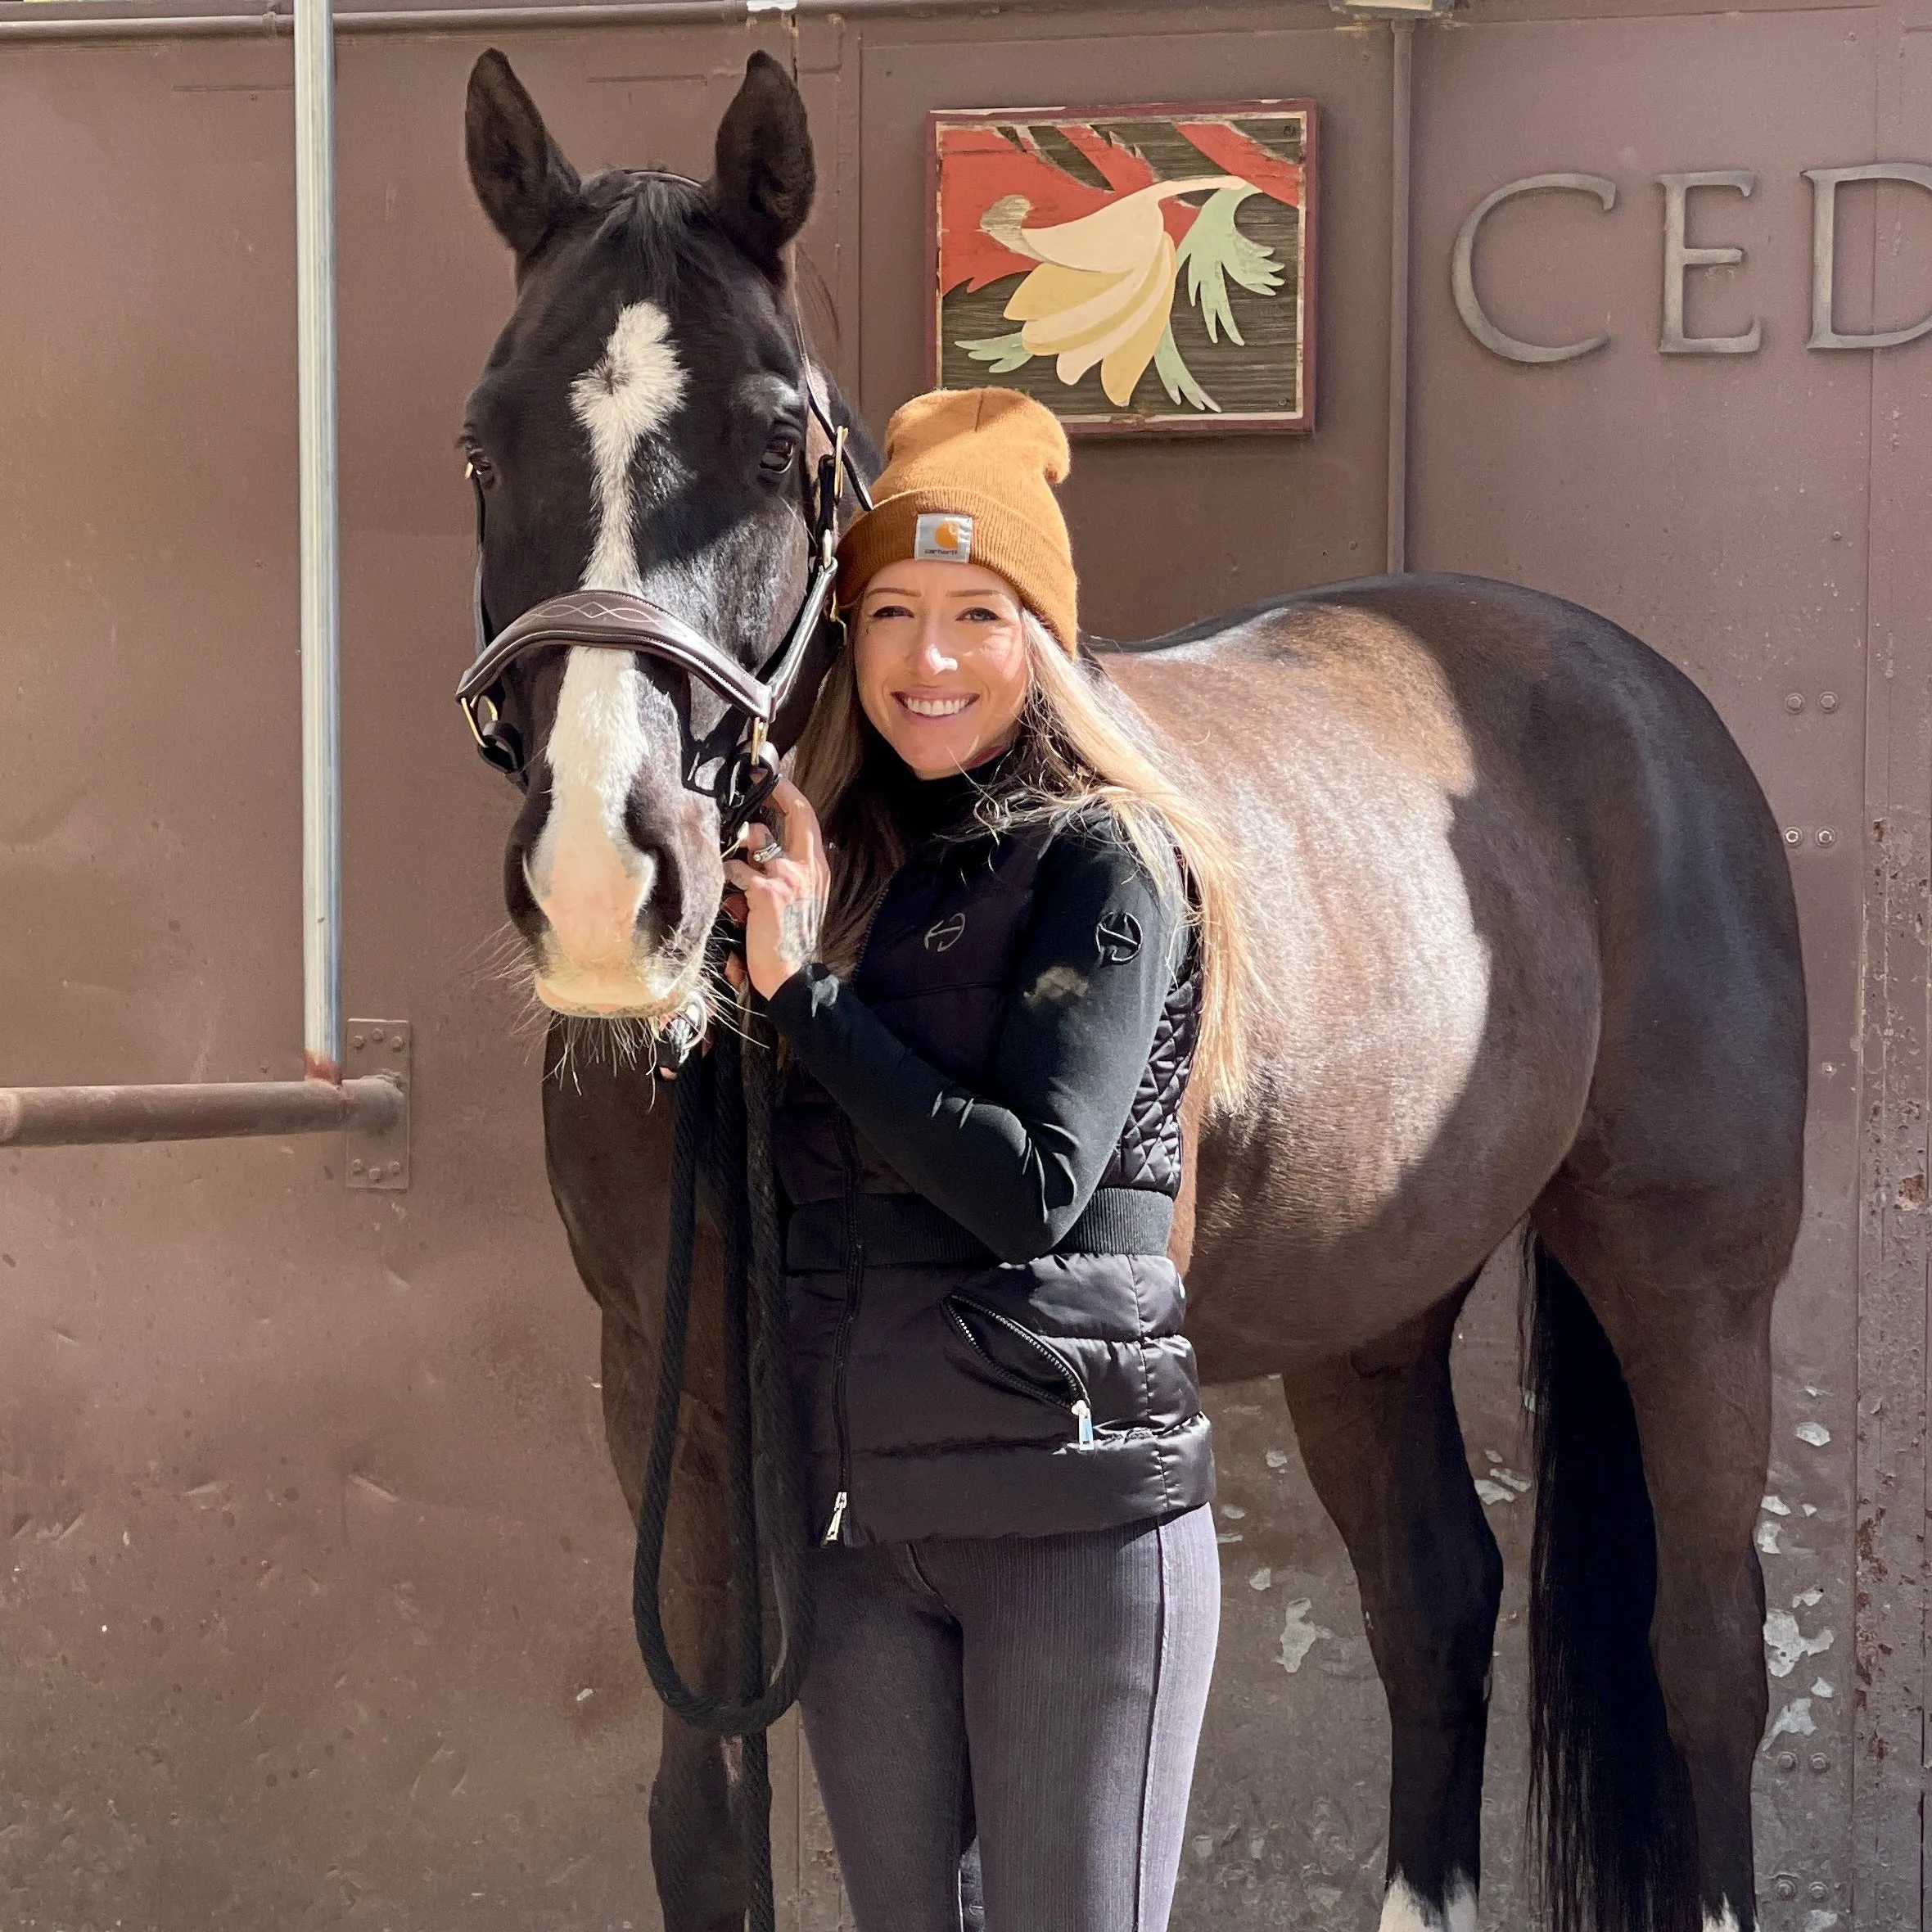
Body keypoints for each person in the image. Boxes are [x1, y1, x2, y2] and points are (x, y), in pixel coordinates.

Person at [722, 388, 1250, 1932]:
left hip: (1071, 1526)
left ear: (1041, 639)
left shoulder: (1113, 856)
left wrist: (805, 999)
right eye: (890, 611)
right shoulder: (840, 875)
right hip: (860, 1527)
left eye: (977, 612)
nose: (929, 659)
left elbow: (1033, 1185)